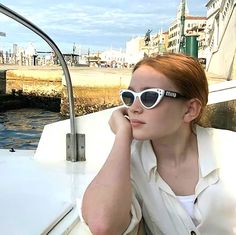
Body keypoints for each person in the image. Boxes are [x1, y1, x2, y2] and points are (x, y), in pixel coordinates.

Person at [81, 53, 236, 235]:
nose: (134, 108)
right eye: (130, 96)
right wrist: (122, 135)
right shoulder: (129, 162)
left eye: (149, 97)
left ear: (190, 109)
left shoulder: (229, 150)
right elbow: (102, 225)